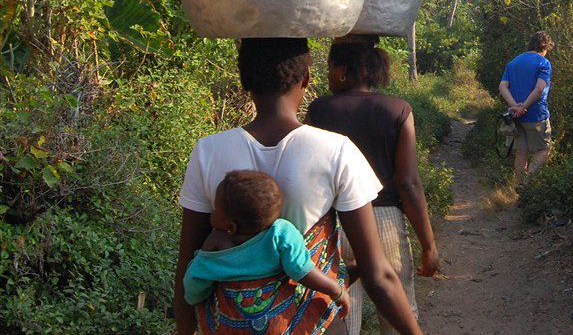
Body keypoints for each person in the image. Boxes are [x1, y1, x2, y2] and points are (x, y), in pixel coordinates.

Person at [174, 38, 422, 335]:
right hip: (315, 324)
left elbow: (187, 268)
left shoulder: (208, 151)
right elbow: (378, 276)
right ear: (306, 79)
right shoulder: (336, 150)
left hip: (233, 325)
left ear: (244, 81)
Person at [306, 38, 438, 335]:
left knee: (340, 314)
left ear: (342, 71)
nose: (327, 76)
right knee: (396, 314)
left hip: (333, 223)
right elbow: (409, 183)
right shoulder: (398, 110)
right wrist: (428, 244)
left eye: (329, 69)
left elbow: (309, 173)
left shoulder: (319, 111)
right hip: (385, 221)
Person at [183, 170, 351, 318]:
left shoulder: (216, 244)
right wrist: (336, 290)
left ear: (231, 226)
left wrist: (196, 299)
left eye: (215, 209)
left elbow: (194, 280)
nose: (212, 212)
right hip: (278, 316)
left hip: (231, 319)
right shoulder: (280, 232)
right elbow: (302, 269)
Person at [498, 31, 554, 186]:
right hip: (536, 115)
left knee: (521, 152)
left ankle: (519, 187)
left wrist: (515, 106)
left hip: (515, 117)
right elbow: (539, 89)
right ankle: (528, 184)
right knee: (543, 150)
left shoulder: (514, 62)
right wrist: (525, 106)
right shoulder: (544, 63)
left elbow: (502, 86)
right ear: (544, 47)